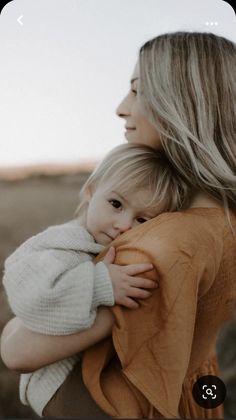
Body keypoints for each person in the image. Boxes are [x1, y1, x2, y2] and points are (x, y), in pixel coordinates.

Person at [1, 31, 236, 419]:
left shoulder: (158, 246)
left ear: (181, 100)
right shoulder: (221, 218)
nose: (121, 108)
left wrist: (12, 329)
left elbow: (17, 352)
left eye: (137, 90)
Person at [1, 143, 190, 417]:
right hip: (59, 381)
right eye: (116, 204)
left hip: (97, 372)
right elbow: (31, 299)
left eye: (142, 219)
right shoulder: (60, 243)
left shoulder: (111, 244)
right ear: (90, 191)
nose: (124, 225)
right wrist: (99, 283)